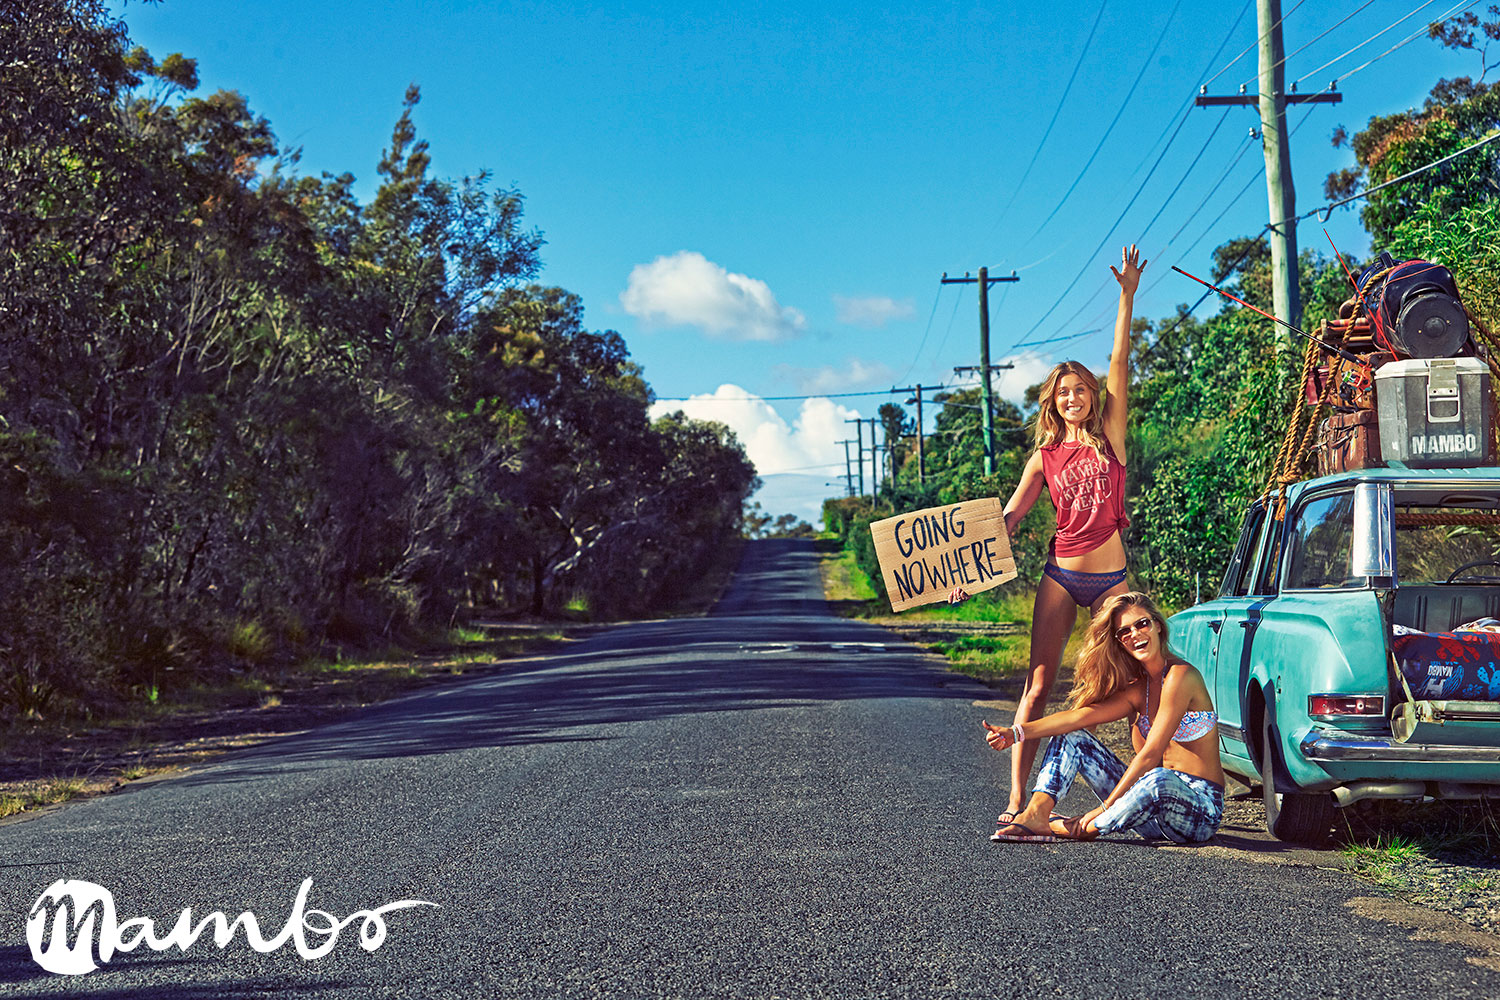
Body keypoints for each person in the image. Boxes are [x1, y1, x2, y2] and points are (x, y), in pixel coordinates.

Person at [951, 245, 1145, 835]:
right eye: (1063, 393)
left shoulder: (1111, 434)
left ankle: (1145, 793)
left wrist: (1126, 295)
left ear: (1092, 395)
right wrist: (964, 572)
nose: (1073, 398)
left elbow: (1120, 359)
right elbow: (1008, 518)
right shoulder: (1044, 456)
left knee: (1139, 684)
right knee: (1037, 684)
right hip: (1062, 574)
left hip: (1111, 579)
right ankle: (1015, 801)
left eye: (1080, 390)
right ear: (1053, 402)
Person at [980, 592, 1224, 843]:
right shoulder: (1138, 689)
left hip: (1198, 812)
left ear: (1158, 625)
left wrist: (1106, 807)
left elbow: (1151, 755)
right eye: (1124, 632)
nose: (1136, 634)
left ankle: (1067, 828)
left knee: (1158, 779)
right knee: (1073, 736)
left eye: (1142, 623)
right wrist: (1017, 732)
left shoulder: (1181, 675)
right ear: (1119, 642)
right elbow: (1078, 718)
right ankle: (1036, 813)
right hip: (1145, 810)